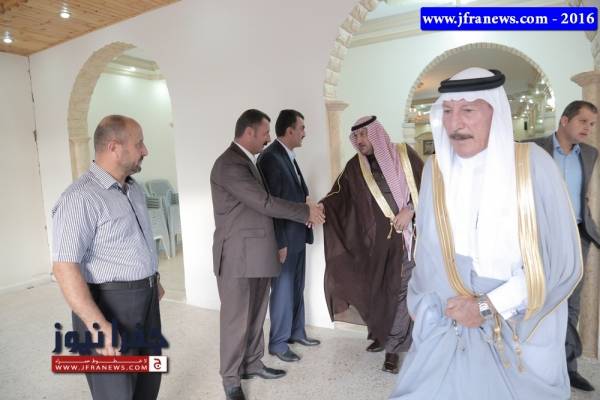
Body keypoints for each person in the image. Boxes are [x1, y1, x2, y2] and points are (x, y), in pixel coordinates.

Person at [390, 68, 582, 400]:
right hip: (447, 322)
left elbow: (557, 263)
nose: (454, 124)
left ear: (496, 111)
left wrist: (485, 305)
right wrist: (420, 302)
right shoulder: (435, 170)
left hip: (514, 323)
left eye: (468, 110)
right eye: (447, 111)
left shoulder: (533, 166)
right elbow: (429, 250)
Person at [210, 109, 325, 400]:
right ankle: (231, 380)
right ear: (249, 132)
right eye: (264, 133)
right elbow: (263, 202)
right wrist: (305, 212)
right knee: (236, 320)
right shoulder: (229, 164)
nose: (268, 138)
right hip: (237, 257)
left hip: (258, 253)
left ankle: (252, 363)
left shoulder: (249, 161)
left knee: (255, 315)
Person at [52, 115, 165, 400]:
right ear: (114, 147)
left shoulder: (133, 188)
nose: (145, 150)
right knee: (115, 390)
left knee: (148, 378)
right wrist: (97, 325)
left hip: (146, 299)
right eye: (139, 144)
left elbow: (135, 240)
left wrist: (153, 279)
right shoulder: (80, 198)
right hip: (108, 306)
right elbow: (64, 267)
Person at [320, 116, 423, 374]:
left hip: (407, 240)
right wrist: (318, 209)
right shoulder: (356, 166)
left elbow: (428, 188)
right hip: (374, 246)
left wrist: (410, 210)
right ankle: (381, 333)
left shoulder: (404, 155)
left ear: (376, 134)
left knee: (399, 292)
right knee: (377, 291)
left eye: (364, 134)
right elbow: (338, 195)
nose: (359, 140)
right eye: (356, 136)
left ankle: (393, 348)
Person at [531, 100, 600, 392]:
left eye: (592, 124)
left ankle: (568, 368)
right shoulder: (534, 149)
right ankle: (536, 366)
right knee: (540, 299)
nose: (588, 128)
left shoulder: (590, 153)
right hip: (542, 235)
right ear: (564, 120)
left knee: (571, 304)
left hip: (577, 235)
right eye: (583, 121)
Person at [257, 109, 320, 363]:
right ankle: (278, 343)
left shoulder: (287, 155)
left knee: (296, 287)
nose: (305, 133)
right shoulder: (270, 158)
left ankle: (296, 332)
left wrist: (310, 207)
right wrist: (279, 242)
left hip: (298, 233)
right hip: (284, 239)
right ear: (290, 130)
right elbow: (270, 205)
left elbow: (295, 194)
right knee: (283, 290)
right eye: (302, 128)